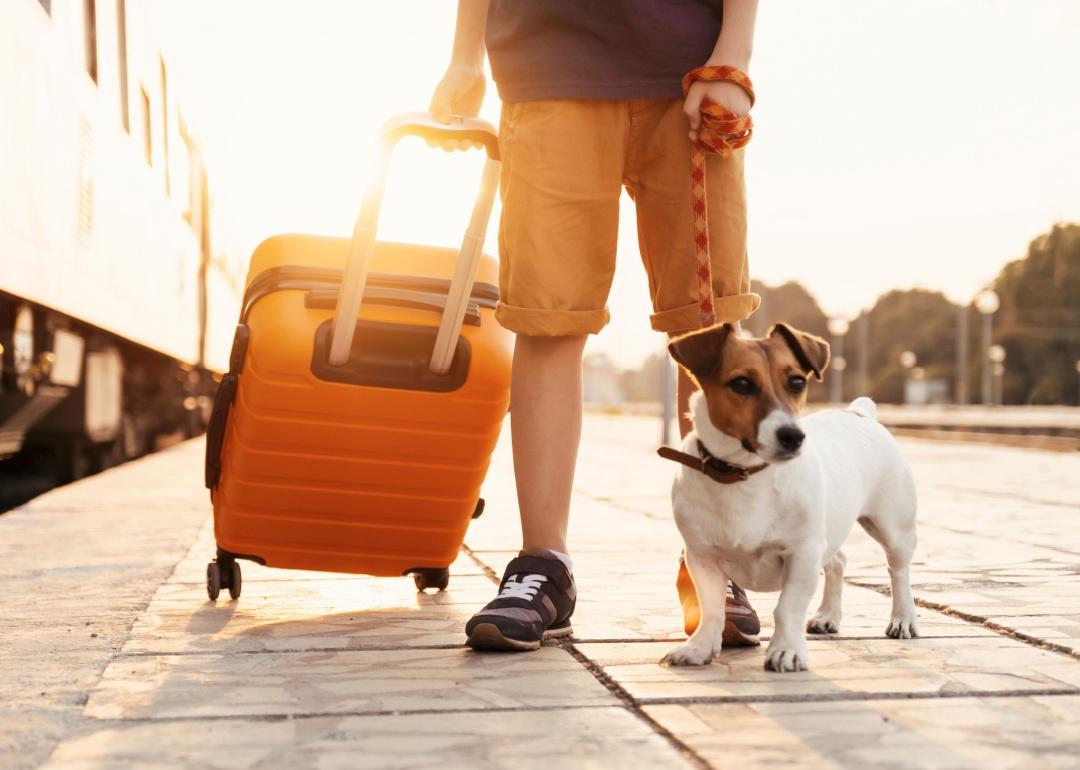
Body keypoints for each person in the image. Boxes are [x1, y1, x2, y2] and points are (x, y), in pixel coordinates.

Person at [430, 0, 762, 651]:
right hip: (546, 69)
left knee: (710, 334)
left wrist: (735, 54)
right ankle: (542, 566)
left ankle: (715, 563)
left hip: (690, 70)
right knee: (547, 320)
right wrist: (465, 54)